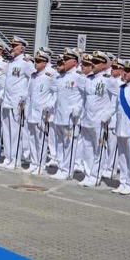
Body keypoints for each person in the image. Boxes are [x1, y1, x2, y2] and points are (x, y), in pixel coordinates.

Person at [78, 51, 118, 187]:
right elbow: (84, 98)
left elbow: (117, 100)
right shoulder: (88, 79)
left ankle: (95, 176)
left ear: (103, 65)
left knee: (98, 150)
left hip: (100, 121)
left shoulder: (109, 80)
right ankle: (88, 174)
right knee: (87, 148)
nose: (93, 65)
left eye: (96, 63)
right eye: (92, 62)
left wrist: (108, 114)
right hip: (87, 119)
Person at [0, 36, 36, 169]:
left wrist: (25, 96)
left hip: (17, 101)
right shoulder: (11, 63)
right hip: (7, 100)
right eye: (12, 45)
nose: (12, 48)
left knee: (16, 132)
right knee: (7, 130)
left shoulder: (26, 63)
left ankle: (15, 160)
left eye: (15, 46)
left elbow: (33, 80)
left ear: (22, 48)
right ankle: (8, 157)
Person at [49, 48, 84, 180]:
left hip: (71, 117)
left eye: (66, 59)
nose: (63, 61)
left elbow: (84, 96)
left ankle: (67, 170)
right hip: (59, 115)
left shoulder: (79, 77)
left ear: (74, 62)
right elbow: (57, 95)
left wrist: (78, 107)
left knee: (69, 144)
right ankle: (61, 167)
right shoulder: (59, 77)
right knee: (60, 143)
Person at [110, 60, 130, 195]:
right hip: (120, 127)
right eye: (124, 70)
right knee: (122, 156)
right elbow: (117, 108)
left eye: (128, 71)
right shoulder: (121, 88)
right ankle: (122, 182)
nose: (125, 73)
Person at [25, 51, 56, 174]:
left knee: (41, 140)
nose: (35, 63)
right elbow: (29, 94)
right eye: (35, 61)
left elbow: (55, 94)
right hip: (32, 112)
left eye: (38, 61)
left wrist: (50, 105)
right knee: (32, 139)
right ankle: (34, 162)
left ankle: (41, 165)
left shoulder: (49, 77)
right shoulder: (33, 76)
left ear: (45, 63)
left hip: (42, 113)